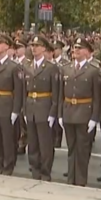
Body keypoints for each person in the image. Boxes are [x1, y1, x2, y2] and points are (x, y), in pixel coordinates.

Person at [61, 38, 101, 187]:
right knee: (71, 148)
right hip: (69, 112)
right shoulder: (66, 68)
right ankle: (71, 178)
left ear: (87, 51)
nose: (75, 51)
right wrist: (61, 114)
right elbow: (61, 94)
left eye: (80, 48)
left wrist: (94, 117)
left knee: (82, 149)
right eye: (74, 48)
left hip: (85, 113)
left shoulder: (93, 71)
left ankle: (80, 180)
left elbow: (97, 97)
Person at [0, 33, 24, 175]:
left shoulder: (13, 67)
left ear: (7, 46)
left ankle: (8, 166)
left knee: (7, 139)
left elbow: (18, 91)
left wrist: (16, 110)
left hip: (6, 105)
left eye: (1, 43)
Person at [25, 35, 60, 181]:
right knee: (32, 142)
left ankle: (45, 172)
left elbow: (56, 93)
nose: (34, 48)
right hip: (31, 107)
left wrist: (53, 112)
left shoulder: (51, 68)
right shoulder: (27, 66)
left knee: (45, 143)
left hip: (44, 107)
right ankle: (35, 169)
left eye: (37, 46)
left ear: (44, 48)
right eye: (32, 45)